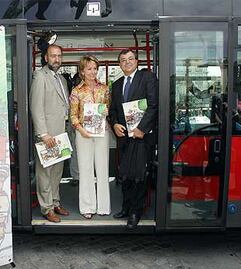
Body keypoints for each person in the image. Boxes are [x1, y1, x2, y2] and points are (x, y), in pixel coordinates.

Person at [109, 49, 158, 229]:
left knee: (139, 176)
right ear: (119, 64)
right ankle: (126, 207)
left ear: (137, 62)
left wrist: (142, 129)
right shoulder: (116, 85)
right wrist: (114, 124)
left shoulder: (148, 78)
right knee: (125, 175)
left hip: (142, 137)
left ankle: (136, 212)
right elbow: (113, 110)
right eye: (123, 60)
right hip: (124, 138)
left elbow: (154, 106)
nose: (127, 62)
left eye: (130, 59)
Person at [30, 44, 70, 223]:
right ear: (46, 58)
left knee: (57, 172)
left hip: (61, 133)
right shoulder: (40, 76)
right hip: (47, 135)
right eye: (53, 56)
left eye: (59, 56)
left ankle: (55, 202)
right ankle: (46, 208)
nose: (57, 59)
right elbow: (36, 107)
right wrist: (43, 134)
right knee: (45, 172)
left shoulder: (61, 78)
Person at [70, 55, 111, 219]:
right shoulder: (76, 91)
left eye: (95, 68)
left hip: (102, 132)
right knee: (85, 169)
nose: (92, 72)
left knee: (103, 168)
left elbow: (108, 108)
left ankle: (103, 206)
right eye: (89, 68)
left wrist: (106, 112)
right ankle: (87, 206)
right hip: (83, 134)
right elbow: (73, 115)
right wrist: (81, 129)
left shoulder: (105, 89)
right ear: (82, 71)